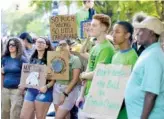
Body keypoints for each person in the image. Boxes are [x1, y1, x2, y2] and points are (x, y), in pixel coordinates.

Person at [76, 14, 115, 119]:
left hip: (99, 97)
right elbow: (89, 68)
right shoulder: (95, 47)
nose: (90, 28)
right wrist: (81, 95)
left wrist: (83, 75)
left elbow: (98, 73)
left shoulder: (107, 48)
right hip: (89, 95)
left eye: (94, 25)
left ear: (103, 28)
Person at [125, 16, 164, 119]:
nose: (137, 33)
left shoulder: (153, 56)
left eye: (141, 30)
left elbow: (151, 94)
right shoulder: (149, 52)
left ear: (151, 32)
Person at [20, 37, 55, 119]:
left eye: (42, 42)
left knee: (40, 117)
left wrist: (46, 87)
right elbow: (27, 75)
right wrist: (23, 84)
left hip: (45, 91)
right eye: (37, 42)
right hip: (31, 90)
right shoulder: (31, 59)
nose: (39, 44)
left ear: (46, 46)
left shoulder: (51, 59)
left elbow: (54, 79)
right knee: (24, 116)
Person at [112, 21, 138, 119]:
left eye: (117, 32)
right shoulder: (115, 55)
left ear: (127, 35)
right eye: (113, 32)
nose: (113, 35)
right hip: (112, 107)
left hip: (124, 110)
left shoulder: (132, 57)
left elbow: (131, 87)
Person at [53, 39, 82, 119]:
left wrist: (64, 93)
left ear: (69, 47)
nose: (61, 46)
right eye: (60, 45)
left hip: (69, 90)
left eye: (64, 45)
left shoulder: (75, 59)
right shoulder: (56, 59)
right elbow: (53, 76)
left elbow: (75, 79)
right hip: (57, 88)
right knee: (65, 116)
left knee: (58, 117)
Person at [1, 37, 28, 119]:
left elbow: (26, 75)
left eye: (13, 45)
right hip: (5, 90)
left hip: (17, 91)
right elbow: (2, 73)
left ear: (17, 46)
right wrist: (1, 88)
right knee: (4, 113)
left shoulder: (22, 59)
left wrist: (23, 87)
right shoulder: (4, 59)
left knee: (15, 114)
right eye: (9, 45)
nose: (11, 46)